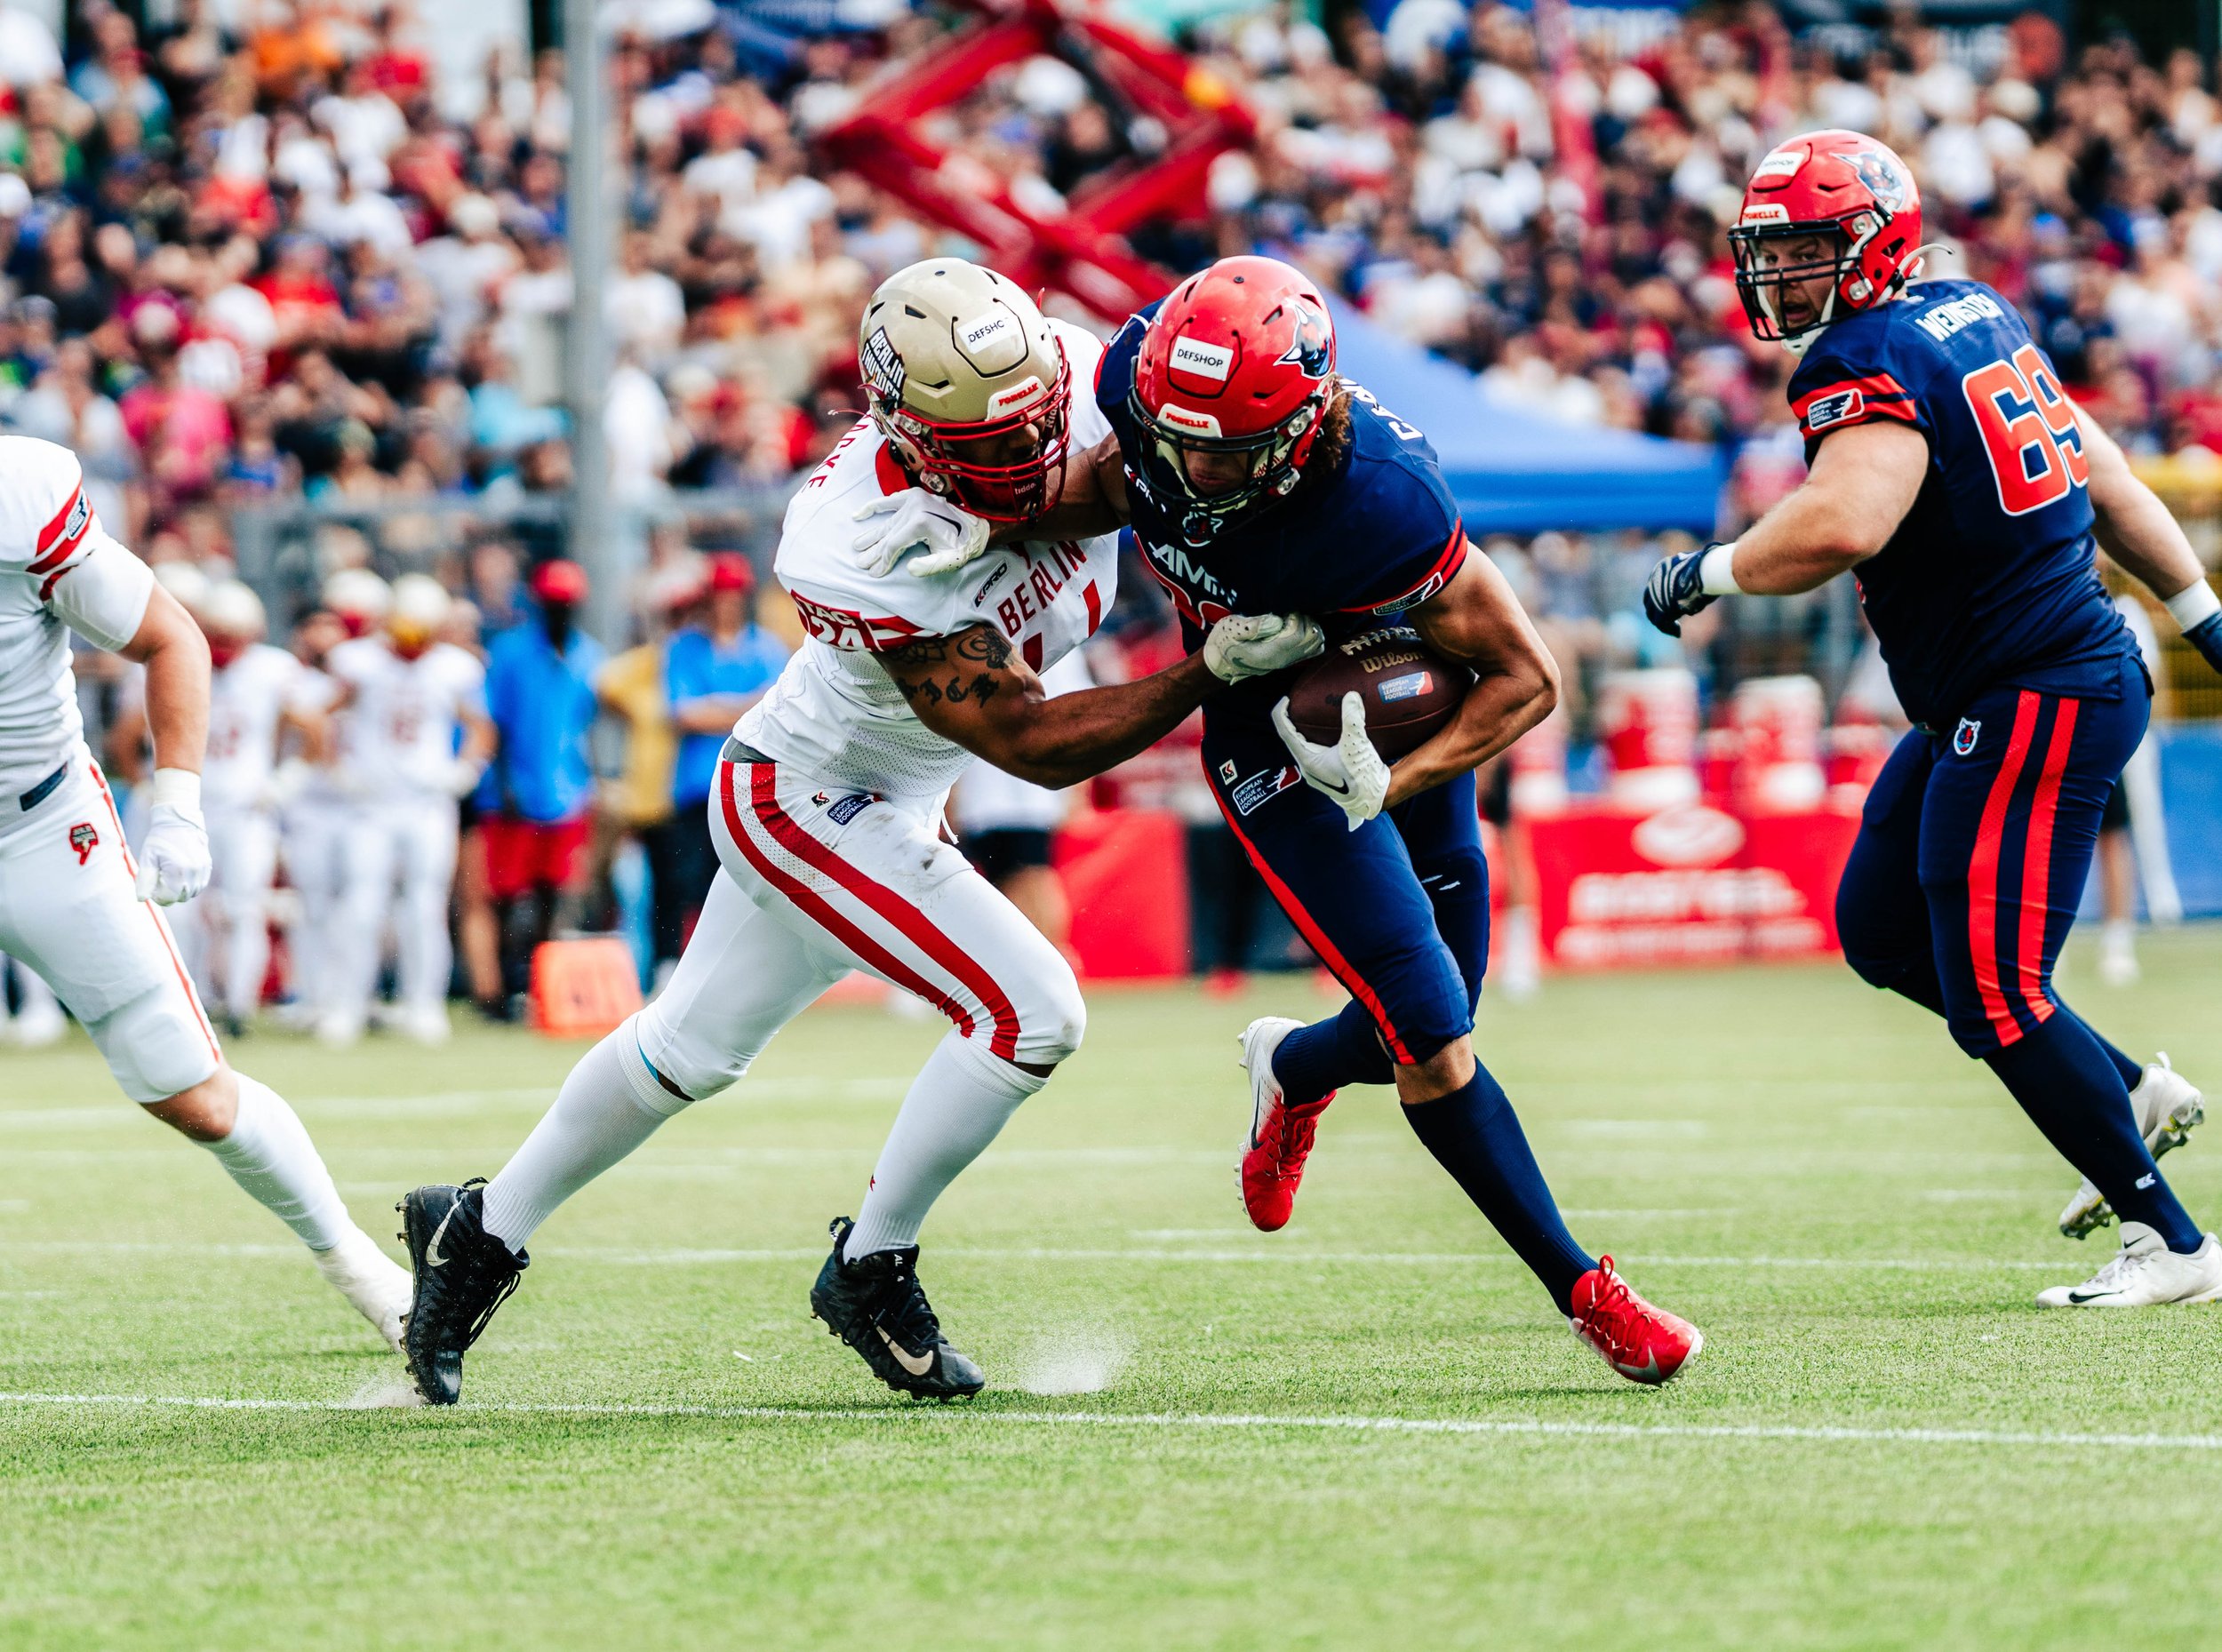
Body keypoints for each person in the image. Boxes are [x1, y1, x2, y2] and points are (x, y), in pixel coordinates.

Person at [392, 259, 1319, 1406]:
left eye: (1038, 426)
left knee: (685, 1049)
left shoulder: (1086, 372)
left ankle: (477, 1229)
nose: (1026, 456)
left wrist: (1056, 504)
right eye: (988, 450)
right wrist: (1205, 671)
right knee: (1032, 1011)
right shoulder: (850, 539)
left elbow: (1125, 482)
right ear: (908, 431)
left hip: (892, 792)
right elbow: (1030, 742)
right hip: (811, 790)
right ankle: (871, 1262)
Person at [863, 255, 1706, 1386]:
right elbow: (1119, 485)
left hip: (1397, 728)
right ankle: (1586, 1291)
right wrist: (974, 524)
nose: (1198, 465)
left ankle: (1297, 1066)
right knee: (1432, 1029)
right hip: (1259, 734)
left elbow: (1527, 677)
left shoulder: (1383, 497)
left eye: (1230, 448)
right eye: (1181, 436)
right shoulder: (1144, 387)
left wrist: (1388, 785)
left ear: (1306, 426)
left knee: (1436, 1009)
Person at [1644, 130, 2222, 1304]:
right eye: (1772, 250)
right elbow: (2102, 467)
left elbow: (1845, 520)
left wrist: (1705, 572)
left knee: (1997, 991)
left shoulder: (1861, 355)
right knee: (1881, 928)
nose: (1781, 274)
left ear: (1869, 245)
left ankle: (2172, 1240)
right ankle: (2128, 1091)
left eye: (1805, 248)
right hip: (2011, 685)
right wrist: (2201, 608)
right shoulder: (1969, 309)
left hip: (2036, 689)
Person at [0, 434, 409, 1349]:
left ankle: (360, 1266)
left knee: (192, 1092)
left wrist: (177, 803)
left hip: (35, 826)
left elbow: (166, 635)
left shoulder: (19, 496)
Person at [324, 573, 492, 1045]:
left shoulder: (454, 668)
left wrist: (466, 768)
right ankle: (348, 1004)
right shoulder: (360, 663)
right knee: (361, 905)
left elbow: (482, 728)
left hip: (425, 803)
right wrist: (338, 768)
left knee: (424, 906)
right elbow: (325, 715)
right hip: (373, 804)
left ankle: (424, 1004)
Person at [192, 579, 328, 1034]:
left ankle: (239, 1007)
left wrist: (285, 779)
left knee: (244, 908)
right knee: (183, 909)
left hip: (249, 807)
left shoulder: (273, 669)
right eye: (218, 634)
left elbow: (313, 730)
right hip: (195, 804)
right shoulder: (184, 661)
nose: (225, 647)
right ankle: (194, 1002)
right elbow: (130, 731)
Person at [480, 558, 604, 1003]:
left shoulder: (589, 655)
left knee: (557, 893)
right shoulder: (511, 653)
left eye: (567, 604)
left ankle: (541, 986)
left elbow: (585, 724)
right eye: (554, 604)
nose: (560, 612)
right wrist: (504, 781)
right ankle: (506, 985)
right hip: (516, 793)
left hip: (567, 792)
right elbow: (493, 723)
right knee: (509, 895)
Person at [653, 552, 787, 951]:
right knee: (685, 882)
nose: (724, 604)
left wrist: (717, 707)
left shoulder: (766, 647)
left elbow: (775, 712)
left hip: (750, 785)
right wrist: (746, 705)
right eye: (718, 595)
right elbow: (684, 714)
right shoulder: (684, 647)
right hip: (696, 786)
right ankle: (671, 964)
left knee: (744, 885)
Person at [2090, 593, 2180, 987]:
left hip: (2117, 738)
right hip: (2063, 733)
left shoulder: (2124, 608)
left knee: (2118, 833)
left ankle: (2119, 939)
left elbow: (2149, 678)